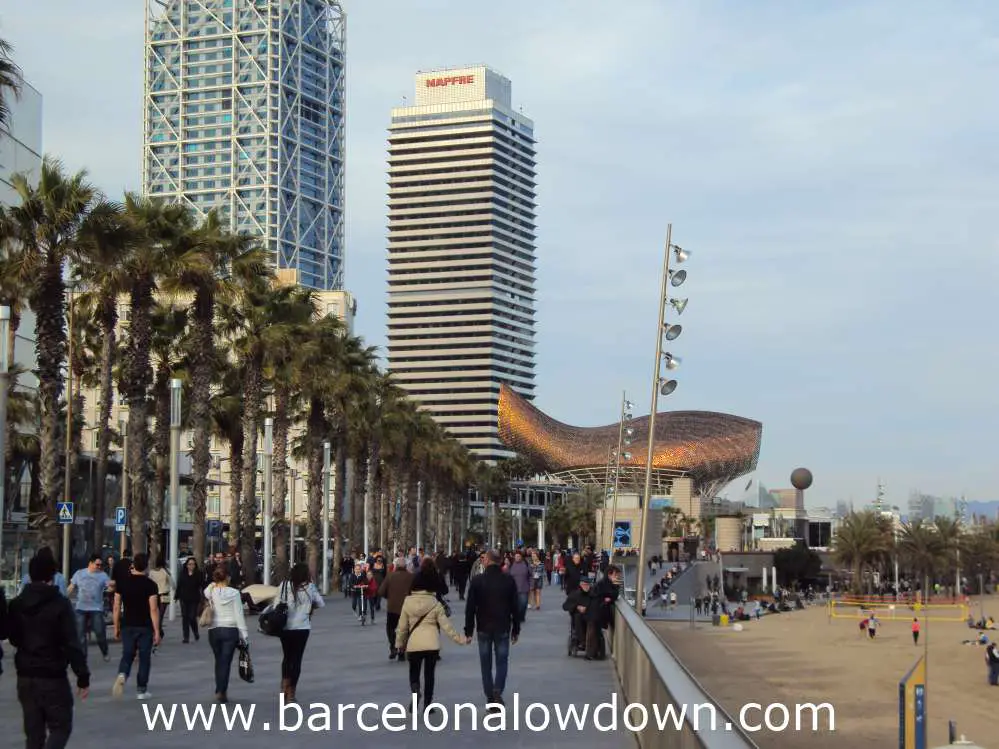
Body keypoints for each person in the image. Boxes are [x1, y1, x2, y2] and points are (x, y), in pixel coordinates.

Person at [8, 551, 90, 749]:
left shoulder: (17, 604)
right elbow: (72, 642)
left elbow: (14, 637)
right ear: (52, 576)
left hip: (26, 675)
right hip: (52, 675)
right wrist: (82, 675)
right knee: (60, 726)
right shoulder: (60, 605)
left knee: (33, 732)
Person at [396, 564, 470, 713]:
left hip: (414, 643)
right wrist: (460, 639)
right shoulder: (435, 603)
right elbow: (446, 626)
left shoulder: (407, 602)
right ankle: (428, 705)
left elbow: (402, 627)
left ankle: (415, 690)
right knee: (430, 675)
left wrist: (399, 643)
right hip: (431, 644)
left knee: (414, 671)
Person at [465, 549, 520, 709]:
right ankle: (497, 690)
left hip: (483, 627)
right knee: (502, 661)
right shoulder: (508, 581)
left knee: (485, 663)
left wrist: (469, 631)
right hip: (503, 626)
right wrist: (516, 629)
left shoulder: (477, 581)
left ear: (488, 561)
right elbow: (514, 607)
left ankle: (490, 696)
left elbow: (470, 608)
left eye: (484, 559)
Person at [112, 552, 160, 700]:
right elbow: (153, 608)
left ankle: (122, 673)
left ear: (133, 565)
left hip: (127, 623)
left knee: (127, 653)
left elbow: (116, 605)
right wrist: (157, 630)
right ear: (146, 567)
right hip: (144, 625)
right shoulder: (151, 585)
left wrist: (116, 626)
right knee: (144, 657)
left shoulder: (123, 583)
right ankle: (141, 690)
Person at [279, 563, 324, 703]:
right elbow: (321, 603)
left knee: (287, 657)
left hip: (285, 627)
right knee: (297, 659)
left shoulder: (284, 586)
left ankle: (284, 687)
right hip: (302, 627)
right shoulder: (309, 587)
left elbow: (276, 603)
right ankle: (292, 691)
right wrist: (309, 606)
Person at [204, 565, 249, 703]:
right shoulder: (234, 593)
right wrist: (244, 635)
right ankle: (222, 690)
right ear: (228, 577)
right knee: (226, 661)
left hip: (214, 630)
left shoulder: (211, 591)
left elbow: (206, 591)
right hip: (230, 629)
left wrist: (214, 582)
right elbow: (239, 614)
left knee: (218, 660)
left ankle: (219, 688)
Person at [67, 553, 111, 663]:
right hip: (81, 607)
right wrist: (64, 596)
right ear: (90, 563)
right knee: (80, 635)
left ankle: (104, 651)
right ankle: (82, 659)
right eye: (97, 565)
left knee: (99, 632)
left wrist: (112, 587)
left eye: (101, 565)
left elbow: (109, 587)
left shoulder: (103, 575)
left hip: (96, 608)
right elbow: (71, 587)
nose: (99, 567)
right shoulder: (79, 573)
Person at [379, 556, 415, 661]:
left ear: (396, 566)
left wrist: (389, 597)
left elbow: (381, 591)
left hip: (392, 608)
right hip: (408, 608)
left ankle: (393, 646)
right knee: (406, 629)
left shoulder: (390, 576)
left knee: (390, 628)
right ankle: (402, 649)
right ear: (406, 566)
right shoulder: (411, 577)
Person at [176, 557, 204, 643]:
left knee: (192, 617)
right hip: (183, 598)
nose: (191, 566)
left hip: (194, 598)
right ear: (186, 565)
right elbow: (179, 585)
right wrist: (176, 596)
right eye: (189, 564)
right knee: (185, 617)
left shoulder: (198, 574)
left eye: (193, 564)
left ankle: (195, 632)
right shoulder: (183, 573)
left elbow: (202, 585)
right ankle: (186, 637)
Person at [147, 555, 174, 641]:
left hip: (154, 594)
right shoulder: (166, 571)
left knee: (154, 613)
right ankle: (159, 631)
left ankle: (157, 631)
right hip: (165, 594)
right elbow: (173, 584)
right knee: (161, 614)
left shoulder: (151, 572)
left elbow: (149, 582)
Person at [562, 576, 592, 649]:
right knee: (578, 618)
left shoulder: (592, 594)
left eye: (587, 585)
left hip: (590, 615)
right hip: (578, 615)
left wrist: (587, 608)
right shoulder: (574, 594)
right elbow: (565, 606)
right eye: (584, 585)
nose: (586, 587)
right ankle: (582, 641)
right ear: (580, 585)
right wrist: (577, 607)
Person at [508, 551, 530, 622]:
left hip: (524, 587)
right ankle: (516, 616)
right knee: (514, 604)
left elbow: (531, 575)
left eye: (519, 556)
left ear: (521, 557)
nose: (517, 558)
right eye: (516, 556)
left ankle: (521, 616)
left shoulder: (526, 564)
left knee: (523, 604)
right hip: (513, 589)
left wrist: (532, 584)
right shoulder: (511, 564)